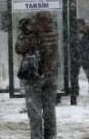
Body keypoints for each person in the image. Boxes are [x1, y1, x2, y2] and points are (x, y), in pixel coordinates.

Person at [16, 11, 59, 139]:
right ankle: (51, 136)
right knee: (49, 110)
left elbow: (19, 48)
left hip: (34, 76)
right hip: (50, 76)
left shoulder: (33, 35)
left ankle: (37, 136)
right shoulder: (52, 33)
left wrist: (27, 33)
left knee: (34, 112)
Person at [70, 18, 89, 102]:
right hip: (76, 56)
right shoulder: (73, 34)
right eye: (77, 26)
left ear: (83, 25)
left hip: (87, 57)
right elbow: (71, 44)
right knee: (74, 75)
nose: (79, 28)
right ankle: (75, 90)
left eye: (80, 26)